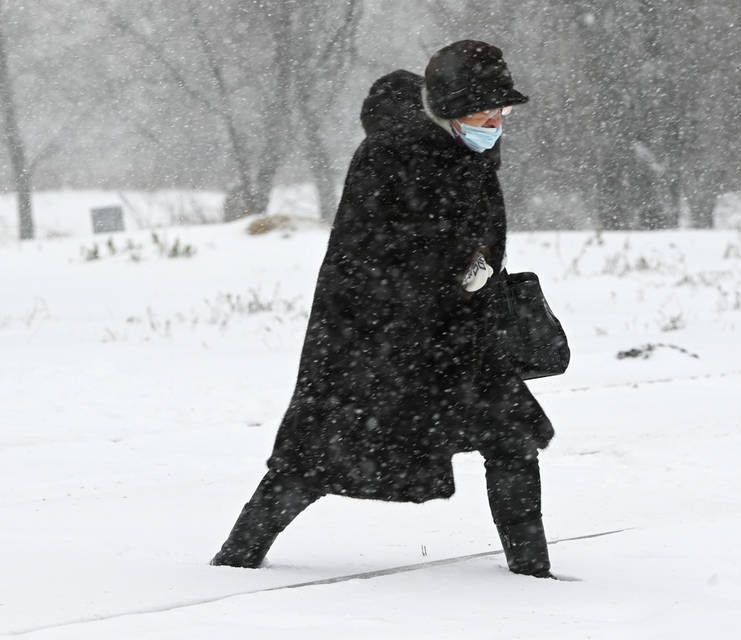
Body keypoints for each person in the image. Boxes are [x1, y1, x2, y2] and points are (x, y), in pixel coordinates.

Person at [211, 41, 556, 578]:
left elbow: (475, 236)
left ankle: (533, 573)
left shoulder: (472, 150)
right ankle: (236, 557)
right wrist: (454, 269)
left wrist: (478, 272)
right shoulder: (390, 155)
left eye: (503, 109)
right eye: (485, 109)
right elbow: (367, 254)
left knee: (512, 441)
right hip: (381, 343)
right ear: (446, 108)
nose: (497, 119)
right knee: (312, 460)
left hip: (463, 339)